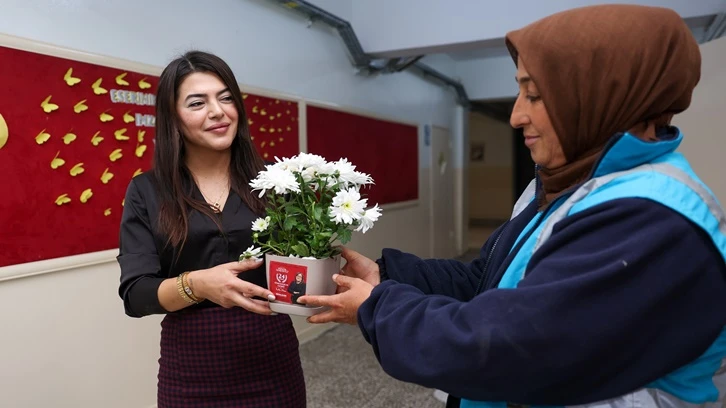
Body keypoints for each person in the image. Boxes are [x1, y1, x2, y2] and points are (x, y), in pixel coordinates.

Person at [299, 5, 726, 408]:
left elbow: (505, 349)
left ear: (602, 95)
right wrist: (388, 275)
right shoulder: (570, 185)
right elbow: (489, 280)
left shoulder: (647, 218)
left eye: (535, 95)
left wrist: (379, 305)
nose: (517, 116)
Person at [117, 50, 305, 407]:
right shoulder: (147, 190)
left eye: (226, 98)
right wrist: (199, 283)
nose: (217, 112)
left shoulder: (275, 182)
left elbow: (300, 267)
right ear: (173, 118)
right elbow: (136, 295)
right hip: (191, 369)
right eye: (197, 103)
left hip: (272, 359)